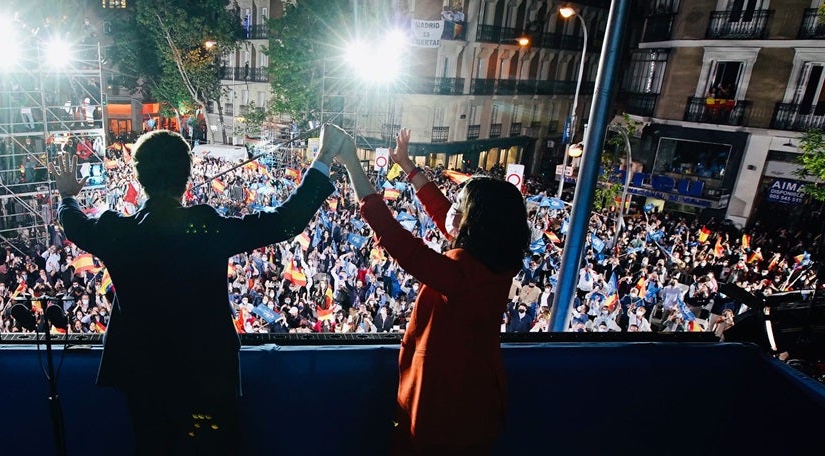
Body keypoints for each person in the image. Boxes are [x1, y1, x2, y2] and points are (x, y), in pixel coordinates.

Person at [53, 128, 342, 455]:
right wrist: (323, 158)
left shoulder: (116, 232)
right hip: (209, 379)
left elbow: (74, 225)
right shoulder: (207, 229)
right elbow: (286, 223)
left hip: (144, 382)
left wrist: (66, 195)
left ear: (139, 176)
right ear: (186, 176)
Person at [337, 127, 530, 454]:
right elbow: (446, 217)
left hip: (443, 413)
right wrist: (409, 168)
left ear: (474, 221)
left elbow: (398, 241)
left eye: (459, 203)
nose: (450, 208)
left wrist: (352, 164)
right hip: (475, 406)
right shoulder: (495, 264)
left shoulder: (462, 275)